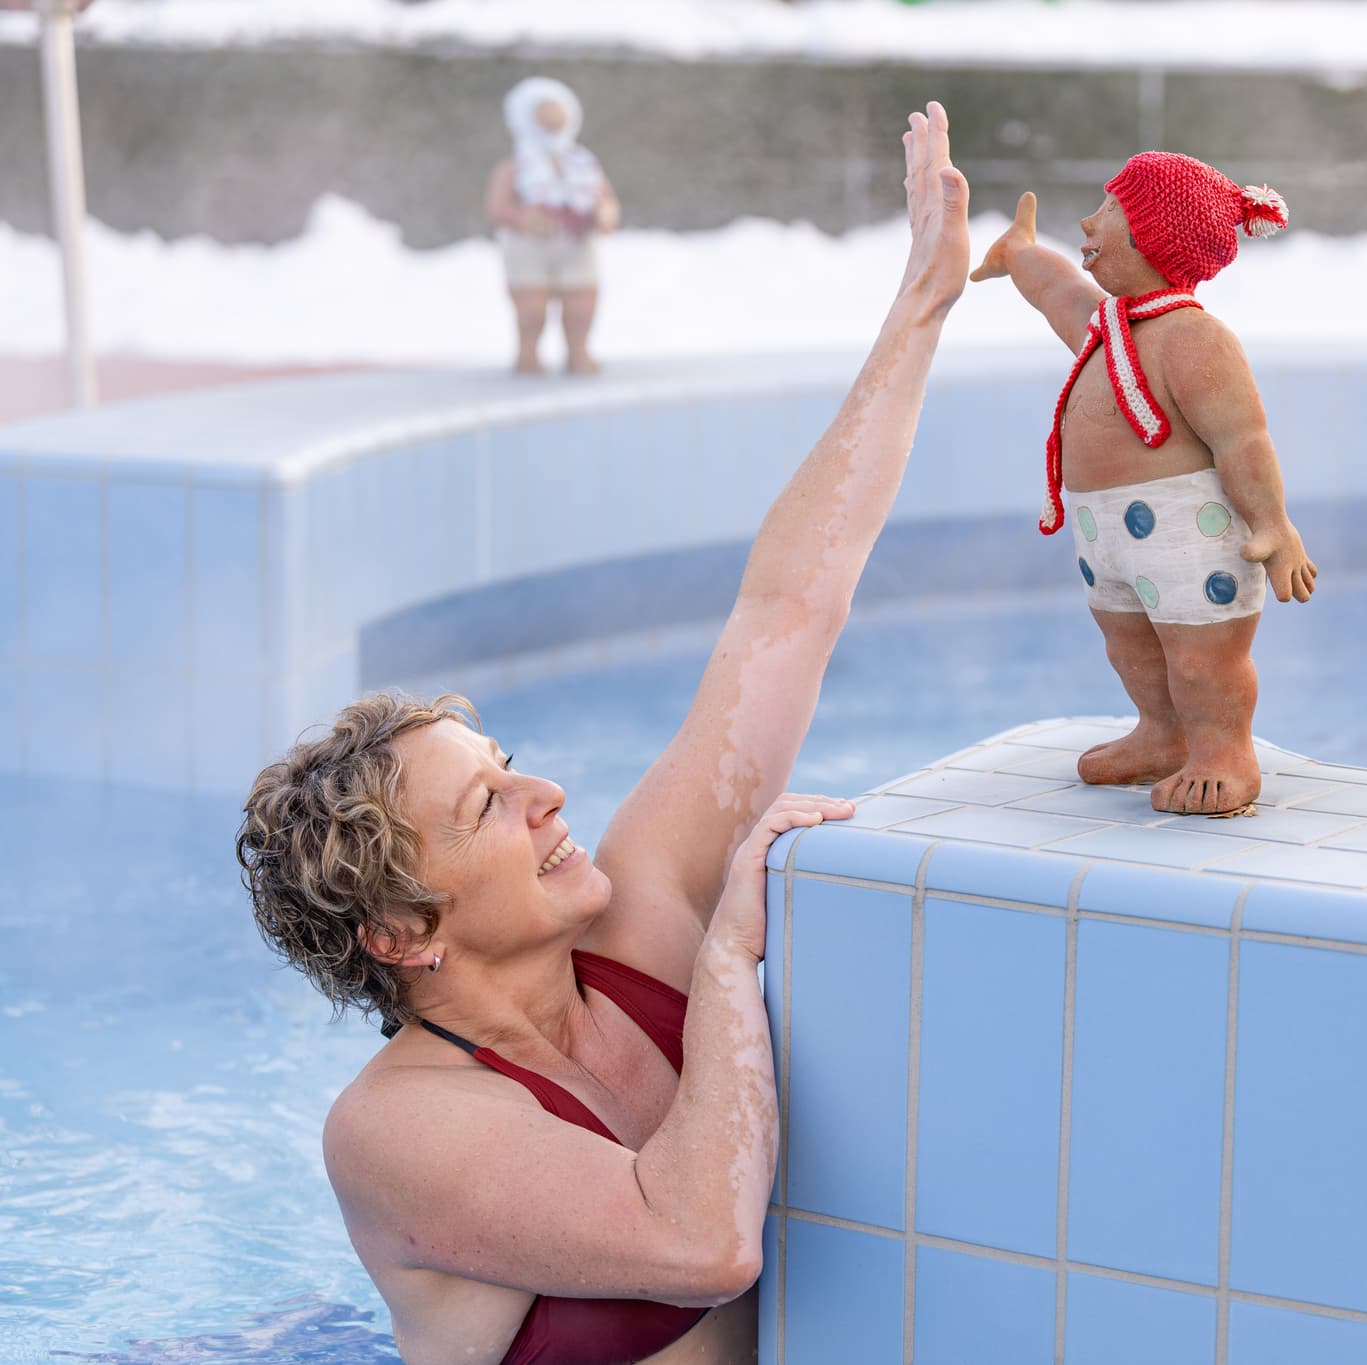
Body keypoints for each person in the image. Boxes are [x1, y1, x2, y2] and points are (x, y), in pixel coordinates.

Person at [237, 103, 969, 1365]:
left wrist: (916, 315)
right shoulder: (395, 1133)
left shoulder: (633, 922)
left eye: (508, 769)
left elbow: (784, 611)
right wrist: (730, 955)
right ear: (403, 930)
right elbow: (700, 1243)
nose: (548, 796)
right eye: (486, 808)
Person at [969, 153, 1316, 815]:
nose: (1088, 220)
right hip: (1108, 534)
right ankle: (1161, 732)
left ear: (1154, 235)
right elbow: (1058, 290)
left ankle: (1223, 752)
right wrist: (1018, 254)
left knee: (1199, 657)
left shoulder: (1193, 337)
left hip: (1190, 535)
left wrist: (1273, 524)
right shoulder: (1108, 328)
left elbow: (1242, 439)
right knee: (1130, 646)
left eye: (1110, 209)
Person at [488, 77, 623, 376]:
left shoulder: (584, 164)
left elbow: (606, 198)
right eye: (544, 114)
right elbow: (498, 207)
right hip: (530, 247)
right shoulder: (515, 167)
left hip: (577, 243)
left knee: (581, 307)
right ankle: (528, 354)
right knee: (531, 310)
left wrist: (605, 214)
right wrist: (522, 218)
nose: (553, 121)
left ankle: (579, 352)